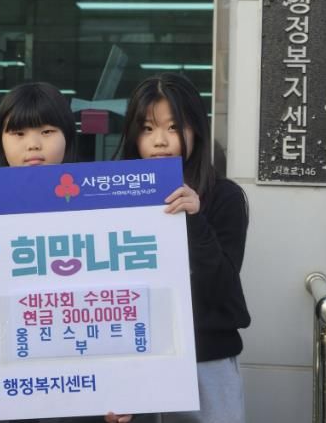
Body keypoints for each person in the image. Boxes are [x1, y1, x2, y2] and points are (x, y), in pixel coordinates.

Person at [106, 73, 251, 423]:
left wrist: (194, 219)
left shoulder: (224, 196)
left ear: (195, 130)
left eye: (173, 127)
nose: (160, 141)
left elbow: (222, 288)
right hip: (132, 359)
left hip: (206, 360)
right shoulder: (111, 194)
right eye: (147, 128)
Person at [0, 82, 132, 423]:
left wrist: (126, 389)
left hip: (78, 381)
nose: (33, 144)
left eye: (47, 131)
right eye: (18, 133)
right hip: (1, 381)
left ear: (68, 135)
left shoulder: (104, 206)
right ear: (0, 140)